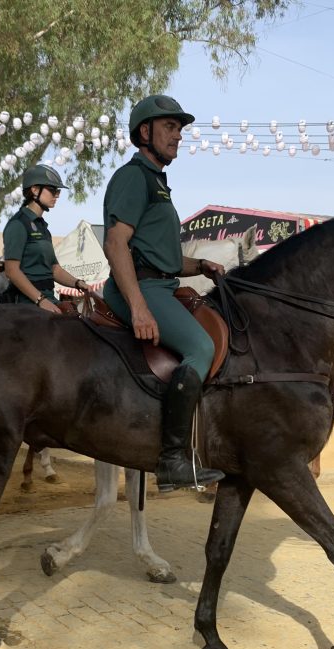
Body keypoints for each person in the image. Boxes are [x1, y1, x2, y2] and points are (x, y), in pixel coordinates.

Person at [101, 94, 225, 492]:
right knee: (201, 348)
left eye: (179, 129)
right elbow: (116, 244)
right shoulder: (133, 177)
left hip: (160, 282)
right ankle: (172, 459)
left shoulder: (158, 182)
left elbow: (165, 258)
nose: (178, 136)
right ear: (145, 132)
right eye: (170, 127)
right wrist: (138, 308)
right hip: (139, 288)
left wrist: (200, 266)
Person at [1, 165, 91, 311]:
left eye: (58, 191)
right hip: (27, 305)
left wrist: (77, 283)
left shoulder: (43, 227)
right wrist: (40, 300)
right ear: (35, 190)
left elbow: (54, 269)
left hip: (49, 299)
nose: (57, 195)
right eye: (52, 190)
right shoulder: (18, 224)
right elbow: (11, 271)